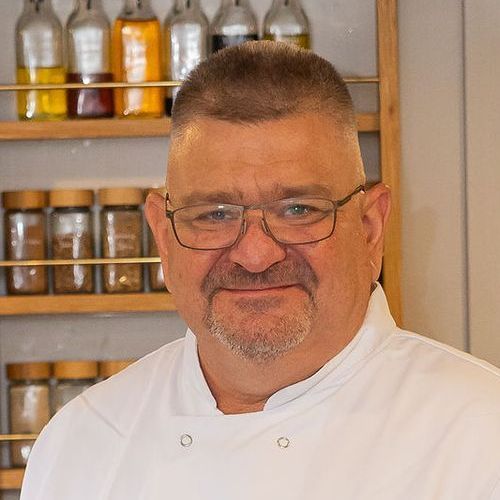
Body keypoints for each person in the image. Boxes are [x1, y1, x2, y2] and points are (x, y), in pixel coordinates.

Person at [21, 42, 500, 500]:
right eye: (215, 214)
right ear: (162, 237)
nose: (255, 255)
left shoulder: (480, 438)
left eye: (298, 210)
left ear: (371, 228)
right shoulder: (80, 444)